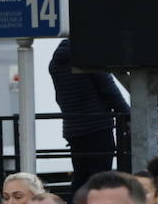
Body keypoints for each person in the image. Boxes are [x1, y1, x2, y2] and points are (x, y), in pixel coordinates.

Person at [50, 38, 130, 193]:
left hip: (73, 129)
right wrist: (129, 116)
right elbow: (109, 90)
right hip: (97, 127)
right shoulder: (90, 58)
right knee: (100, 178)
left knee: (81, 177)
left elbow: (59, 98)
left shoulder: (55, 63)